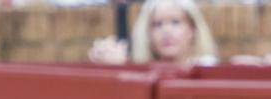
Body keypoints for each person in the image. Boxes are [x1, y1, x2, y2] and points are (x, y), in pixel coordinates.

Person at [88, 0, 217, 66]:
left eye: (175, 22)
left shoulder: (208, 67)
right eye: (157, 24)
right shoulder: (142, 71)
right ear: (147, 34)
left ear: (192, 29)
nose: (166, 31)